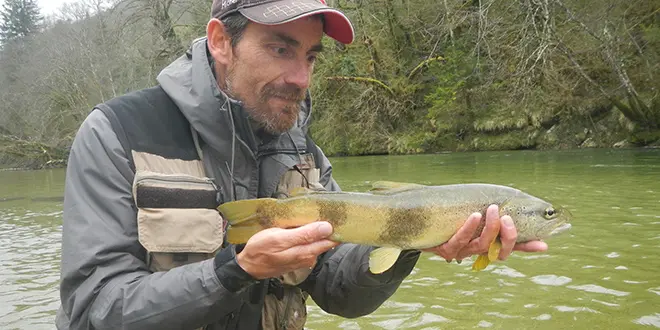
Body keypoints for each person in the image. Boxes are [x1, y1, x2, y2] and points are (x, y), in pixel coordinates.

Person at [55, 0, 548, 329]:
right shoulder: (117, 133)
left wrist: (412, 239)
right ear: (221, 42)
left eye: (311, 56)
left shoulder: (302, 151)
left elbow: (339, 290)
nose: (300, 77)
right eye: (279, 48)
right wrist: (235, 270)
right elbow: (92, 310)